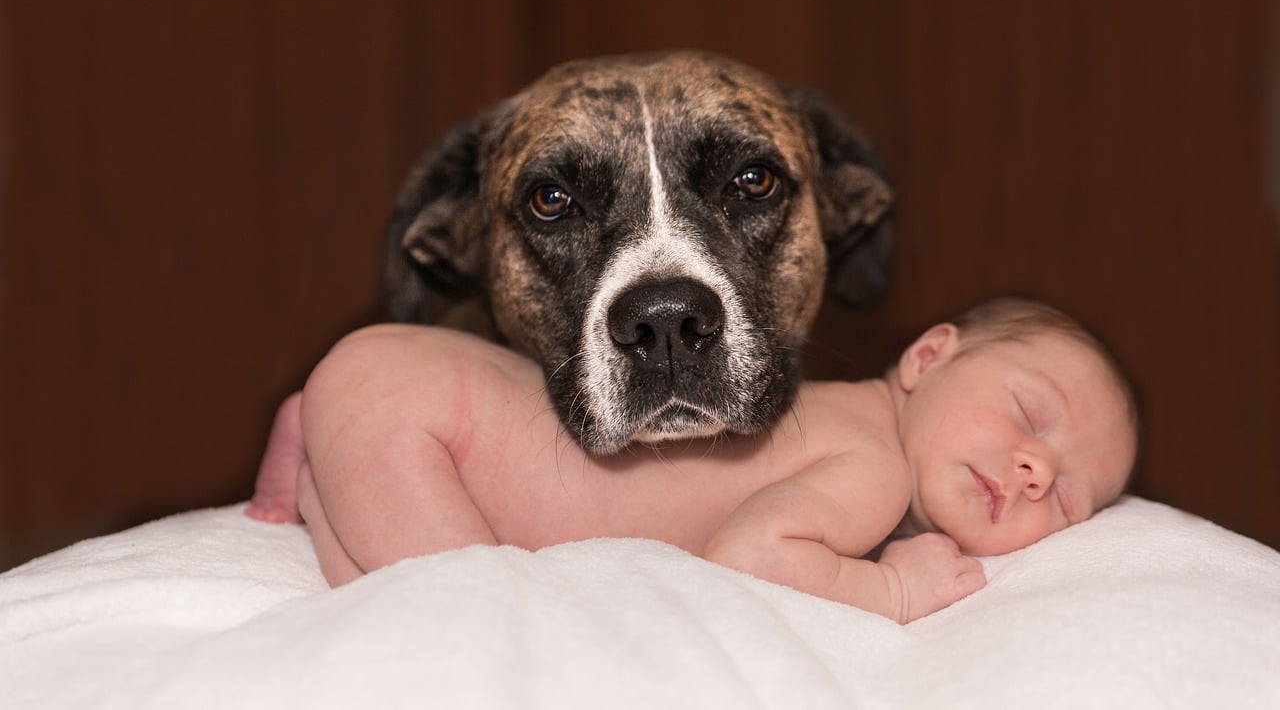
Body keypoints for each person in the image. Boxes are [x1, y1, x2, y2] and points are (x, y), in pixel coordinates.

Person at [246, 296, 1138, 624]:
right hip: (425, 430)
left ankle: (322, 423)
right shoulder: (876, 467)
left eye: (1066, 498)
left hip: (403, 374)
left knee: (378, 435)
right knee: (463, 606)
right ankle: (336, 437)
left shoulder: (846, 420)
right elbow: (751, 557)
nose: (1031, 470)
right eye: (1029, 416)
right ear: (929, 356)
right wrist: (892, 593)